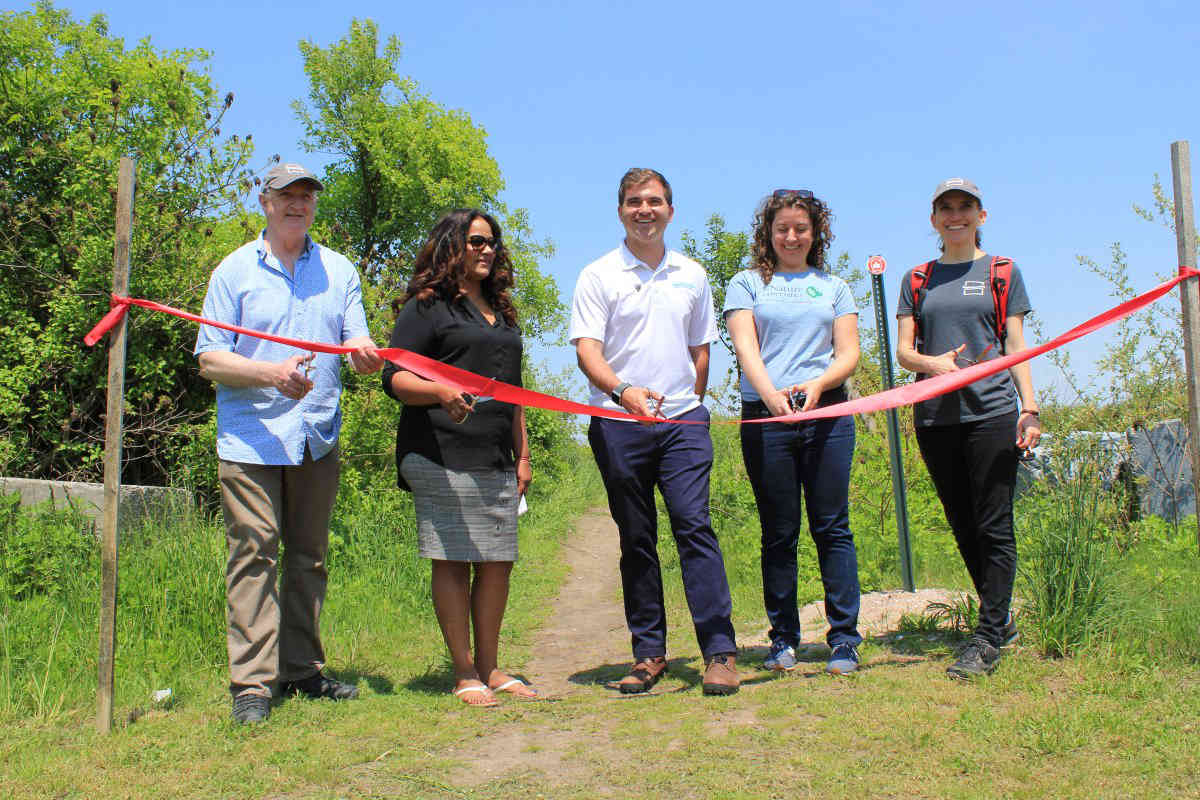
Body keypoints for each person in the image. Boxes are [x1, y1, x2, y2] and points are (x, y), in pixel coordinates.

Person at [195, 161, 384, 725]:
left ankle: (301, 670)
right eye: (287, 196)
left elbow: (356, 339)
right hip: (251, 440)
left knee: (310, 558)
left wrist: (366, 355)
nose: (298, 204)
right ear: (265, 201)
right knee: (255, 551)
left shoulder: (339, 270)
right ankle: (252, 685)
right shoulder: (234, 271)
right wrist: (270, 374)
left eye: (307, 196)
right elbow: (210, 358)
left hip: (316, 436)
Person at [569, 168, 739, 696]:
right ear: (620, 210)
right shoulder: (597, 275)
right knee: (636, 536)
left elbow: (701, 349)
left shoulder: (694, 273)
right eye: (635, 202)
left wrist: (693, 402)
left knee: (694, 526)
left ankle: (719, 653)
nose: (646, 210)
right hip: (619, 421)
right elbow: (586, 352)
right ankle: (649, 653)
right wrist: (624, 392)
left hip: (683, 422)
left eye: (655, 202)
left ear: (671, 210)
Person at [381, 209, 534, 708]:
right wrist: (439, 390)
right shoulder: (427, 307)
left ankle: (491, 666)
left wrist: (523, 454)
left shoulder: (502, 311)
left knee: (497, 562)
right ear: (452, 245)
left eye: (491, 242)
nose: (486, 250)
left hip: (495, 456)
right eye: (475, 241)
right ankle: (464, 671)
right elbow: (394, 379)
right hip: (439, 453)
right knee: (453, 561)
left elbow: (512, 391)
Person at [896, 177, 1042, 679]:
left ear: (982, 215)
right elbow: (903, 351)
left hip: (993, 412)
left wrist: (1031, 407)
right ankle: (998, 620)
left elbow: (1016, 345)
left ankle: (986, 638)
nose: (955, 215)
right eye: (946, 208)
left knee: (993, 522)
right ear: (934, 219)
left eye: (965, 207)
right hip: (936, 417)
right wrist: (931, 365)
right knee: (962, 522)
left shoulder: (1002, 272)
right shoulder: (917, 278)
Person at [724, 189, 864, 675]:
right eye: (782, 228)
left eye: (800, 228)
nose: (791, 236)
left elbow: (847, 353)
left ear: (815, 233)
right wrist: (771, 398)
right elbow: (747, 351)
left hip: (826, 416)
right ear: (768, 232)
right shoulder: (746, 284)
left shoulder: (835, 287)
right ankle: (783, 638)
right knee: (779, 532)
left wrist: (820, 385)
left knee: (832, 527)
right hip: (766, 418)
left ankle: (844, 639)